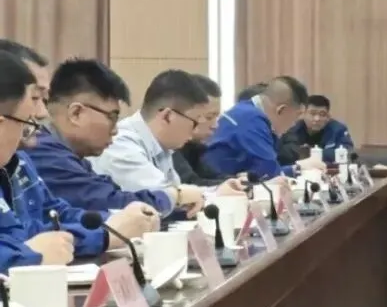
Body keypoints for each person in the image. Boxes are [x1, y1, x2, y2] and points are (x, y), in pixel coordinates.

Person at [0, 52, 154, 270]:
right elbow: (23, 238)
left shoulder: (20, 160)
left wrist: (116, 223)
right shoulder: (43, 151)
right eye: (35, 98)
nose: (42, 112)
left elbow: (55, 215)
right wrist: (105, 235)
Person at [26, 58, 190, 216]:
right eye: (111, 117)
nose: (115, 131)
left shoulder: (71, 156)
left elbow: (110, 194)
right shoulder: (44, 152)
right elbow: (113, 205)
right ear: (76, 113)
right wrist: (176, 196)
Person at [91, 71, 244, 215]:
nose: (195, 130)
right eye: (195, 122)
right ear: (168, 116)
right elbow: (164, 197)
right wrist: (216, 193)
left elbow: (178, 193)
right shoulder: (121, 144)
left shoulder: (162, 146)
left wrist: (218, 190)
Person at [204, 76, 323, 180]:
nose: (294, 124)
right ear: (281, 110)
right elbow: (269, 173)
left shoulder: (246, 111)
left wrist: (295, 168)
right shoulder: (251, 120)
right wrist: (298, 167)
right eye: (296, 116)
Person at [174, 75, 233, 186]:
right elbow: (190, 183)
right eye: (209, 117)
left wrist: (240, 182)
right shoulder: (168, 146)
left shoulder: (192, 147)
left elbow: (210, 176)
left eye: (217, 117)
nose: (215, 125)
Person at [280, 94, 354, 163]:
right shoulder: (292, 129)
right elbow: (286, 153)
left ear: (328, 117)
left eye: (322, 114)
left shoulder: (338, 129)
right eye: (312, 113)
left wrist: (309, 152)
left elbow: (348, 152)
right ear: (303, 114)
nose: (317, 119)